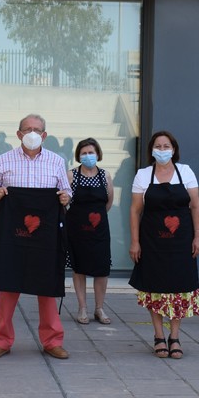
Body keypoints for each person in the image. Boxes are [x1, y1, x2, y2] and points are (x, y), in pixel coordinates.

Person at [0, 114, 71, 360]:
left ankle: (53, 341)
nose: (32, 133)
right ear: (19, 134)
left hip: (45, 237)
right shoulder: (3, 160)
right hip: (13, 237)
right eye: (27, 129)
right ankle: (1, 341)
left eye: (37, 129)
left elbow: (66, 193)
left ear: (44, 135)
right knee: (8, 286)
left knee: (47, 287)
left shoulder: (56, 161)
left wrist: (66, 197)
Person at [129, 130, 199, 360]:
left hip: (182, 241)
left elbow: (195, 206)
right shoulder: (143, 175)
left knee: (180, 287)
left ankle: (175, 336)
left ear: (174, 149)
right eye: (158, 146)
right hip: (152, 242)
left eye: (166, 146)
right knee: (155, 287)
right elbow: (135, 210)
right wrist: (135, 242)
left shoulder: (186, 171)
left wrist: (197, 237)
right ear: (151, 150)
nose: (162, 150)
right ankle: (159, 335)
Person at [67, 138, 114, 325]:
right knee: (79, 268)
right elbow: (65, 201)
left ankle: (99, 308)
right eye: (84, 153)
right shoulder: (72, 175)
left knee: (102, 269)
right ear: (78, 156)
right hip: (77, 230)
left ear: (98, 154)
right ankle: (82, 308)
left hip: (100, 230)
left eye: (91, 153)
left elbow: (109, 202)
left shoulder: (105, 175)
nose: (88, 156)